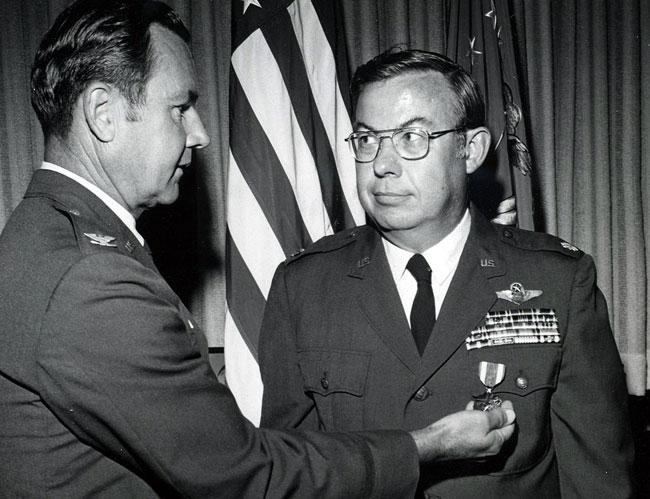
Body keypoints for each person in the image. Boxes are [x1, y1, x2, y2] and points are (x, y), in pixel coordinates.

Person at [0, 2, 518, 497]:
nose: (200, 133)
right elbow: (245, 477)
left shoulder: (47, 239)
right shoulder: (90, 277)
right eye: (180, 108)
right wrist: (426, 446)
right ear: (103, 114)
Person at [259, 49, 634, 497]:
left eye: (411, 137)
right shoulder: (302, 288)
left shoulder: (558, 282)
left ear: (470, 150)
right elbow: (293, 475)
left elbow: (598, 482)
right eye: (366, 139)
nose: (382, 164)